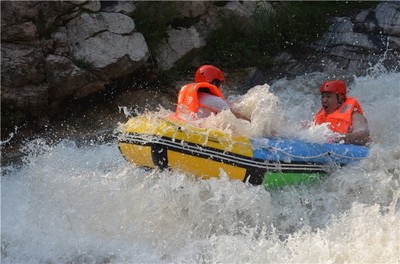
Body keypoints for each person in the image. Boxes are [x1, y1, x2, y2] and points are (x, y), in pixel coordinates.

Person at [175, 64, 248, 120]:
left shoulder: (191, 96)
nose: (221, 88)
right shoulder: (214, 100)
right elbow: (236, 118)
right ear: (214, 83)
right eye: (221, 84)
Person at [314, 80, 370, 145]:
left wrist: (339, 138)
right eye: (323, 97)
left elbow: (363, 135)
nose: (324, 100)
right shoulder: (321, 115)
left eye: (328, 96)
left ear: (341, 98)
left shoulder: (355, 115)